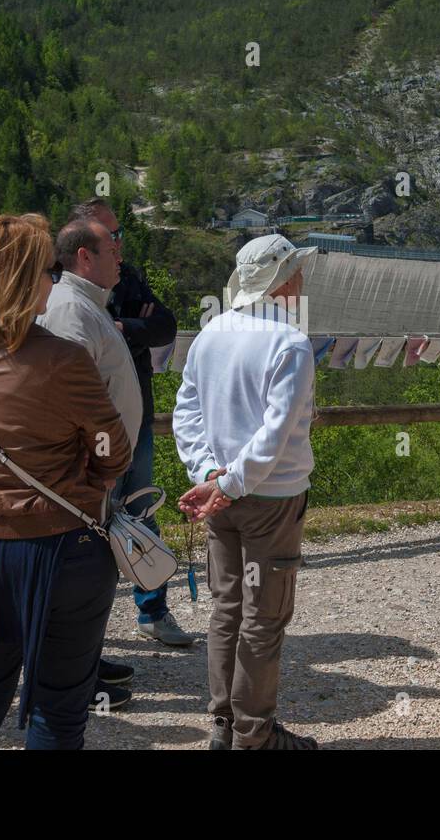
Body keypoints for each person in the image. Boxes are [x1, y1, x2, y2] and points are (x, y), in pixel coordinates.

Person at [0, 214, 130, 750]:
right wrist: (90, 482)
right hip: (63, 542)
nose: (55, 280)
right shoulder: (61, 359)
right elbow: (113, 447)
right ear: (20, 279)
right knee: (57, 709)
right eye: (47, 269)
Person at [174, 233, 320, 750]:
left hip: (220, 496)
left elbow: (186, 411)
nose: (303, 278)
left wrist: (209, 475)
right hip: (272, 499)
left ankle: (222, 723)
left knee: (227, 608)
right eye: (297, 271)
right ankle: (254, 734)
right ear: (284, 281)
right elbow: (275, 435)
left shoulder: (211, 332)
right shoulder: (290, 343)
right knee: (264, 616)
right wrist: (229, 483)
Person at [72, 199, 190, 647]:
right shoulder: (58, 281)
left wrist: (119, 328)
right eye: (110, 236)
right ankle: (85, 632)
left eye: (119, 235)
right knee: (86, 521)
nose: (119, 245)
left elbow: (164, 326)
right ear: (83, 242)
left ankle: (153, 611)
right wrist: (126, 327)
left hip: (134, 418)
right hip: (85, 426)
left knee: (140, 511)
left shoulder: (127, 275)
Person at [35, 217, 143, 708]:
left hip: (99, 467)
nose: (119, 254)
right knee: (71, 579)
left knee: (87, 577)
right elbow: (69, 400)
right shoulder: (70, 310)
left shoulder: (86, 304)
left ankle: (84, 661)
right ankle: (70, 681)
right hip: (84, 471)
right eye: (111, 247)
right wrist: (95, 467)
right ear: (84, 257)